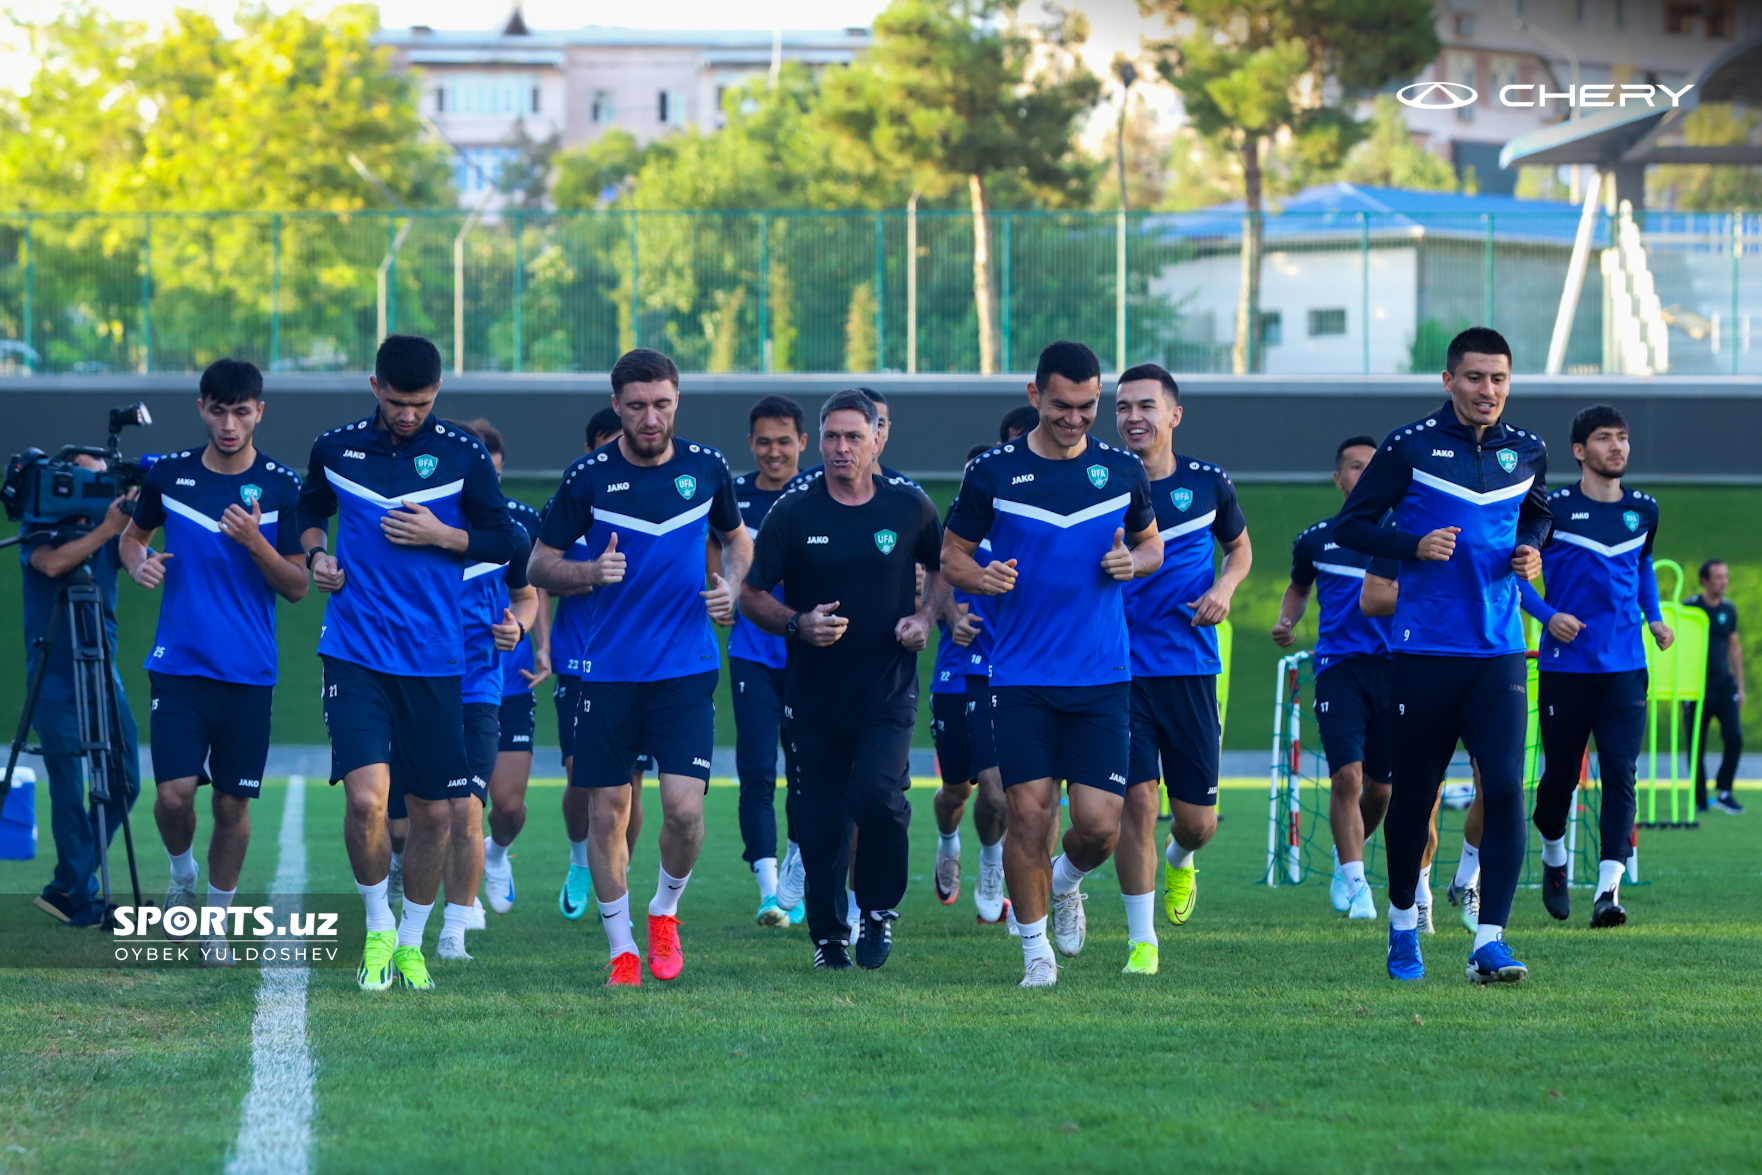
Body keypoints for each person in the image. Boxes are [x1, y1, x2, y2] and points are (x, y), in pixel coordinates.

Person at [298, 334, 522, 993]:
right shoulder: (335, 447)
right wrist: (317, 557)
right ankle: (375, 929)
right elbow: (310, 508)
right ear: (374, 387)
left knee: (434, 815)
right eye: (396, 402)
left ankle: (413, 941)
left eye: (421, 403)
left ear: (438, 394)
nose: (407, 415)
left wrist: (441, 535)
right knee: (368, 800)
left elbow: (505, 538)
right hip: (354, 650)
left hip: (436, 661)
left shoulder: (462, 453)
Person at [1333, 326, 1550, 985]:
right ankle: (1403, 928)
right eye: (1476, 377)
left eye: (1500, 379)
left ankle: (1490, 941)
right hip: (1423, 652)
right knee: (1414, 796)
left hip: (1500, 653)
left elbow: (1538, 514)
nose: (1488, 390)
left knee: (1507, 789)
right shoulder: (1408, 446)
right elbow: (1353, 525)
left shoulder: (1527, 449)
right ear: (1449, 380)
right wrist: (1413, 546)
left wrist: (1533, 548)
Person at [943, 340, 1163, 988]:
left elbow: (1151, 547)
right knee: (1031, 814)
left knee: (1097, 827)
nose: (1075, 418)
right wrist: (983, 577)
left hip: (1102, 678)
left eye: (1088, 405)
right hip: (1021, 678)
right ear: (1036, 395)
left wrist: (1135, 562)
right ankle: (1035, 951)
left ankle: (1065, 883)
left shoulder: (1122, 470)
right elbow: (952, 557)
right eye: (1062, 405)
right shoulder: (993, 473)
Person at [528, 348, 750, 987]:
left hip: (683, 667)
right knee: (608, 813)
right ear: (617, 404)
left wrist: (730, 587)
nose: (650, 417)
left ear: (676, 400)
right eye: (636, 406)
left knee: (683, 811)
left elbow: (737, 539)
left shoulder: (707, 469)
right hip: (602, 672)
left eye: (661, 404)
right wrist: (587, 573)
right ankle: (622, 946)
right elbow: (540, 565)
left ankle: (664, 912)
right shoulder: (587, 477)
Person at [740, 389, 945, 970]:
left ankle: (877, 911)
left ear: (878, 438)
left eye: (854, 436)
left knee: (878, 796)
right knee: (819, 821)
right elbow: (752, 594)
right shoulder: (794, 511)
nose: (841, 447)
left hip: (887, 691)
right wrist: (797, 624)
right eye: (832, 436)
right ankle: (829, 940)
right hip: (812, 698)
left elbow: (944, 566)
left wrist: (924, 617)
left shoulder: (909, 506)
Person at [119, 358, 307, 960]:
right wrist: (137, 562)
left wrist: (255, 542)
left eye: (241, 411)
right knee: (174, 795)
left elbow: (298, 586)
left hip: (249, 671)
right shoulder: (169, 476)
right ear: (202, 409)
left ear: (259, 412)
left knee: (231, 803)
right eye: (219, 410)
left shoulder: (280, 486)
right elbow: (132, 537)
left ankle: (217, 925)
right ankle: (181, 877)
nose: (230, 423)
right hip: (177, 666)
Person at [1114, 363, 1251, 976]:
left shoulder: (1208, 483)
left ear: (1174, 415)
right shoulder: (1101, 481)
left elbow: (1240, 547)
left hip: (1190, 667)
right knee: (1136, 804)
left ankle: (1180, 860)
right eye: (1123, 408)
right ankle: (1143, 943)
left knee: (1196, 824)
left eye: (1146, 406)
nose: (1133, 417)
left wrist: (1225, 586)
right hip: (1116, 670)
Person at [1518, 405, 1673, 928]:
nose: (1618, 447)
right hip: (1565, 669)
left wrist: (1654, 620)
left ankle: (1608, 892)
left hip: (1626, 668)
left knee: (1620, 774)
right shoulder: (1551, 509)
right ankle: (1554, 855)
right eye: (1605, 438)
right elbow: (1514, 576)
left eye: (1623, 438)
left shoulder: (1644, 510)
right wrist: (1547, 614)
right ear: (1580, 451)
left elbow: (1643, 565)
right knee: (1559, 780)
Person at [427, 419, 540, 959]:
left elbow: (528, 595)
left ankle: (457, 923)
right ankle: (411, 903)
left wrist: (521, 631)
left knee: (486, 808)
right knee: (410, 823)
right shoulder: (416, 520)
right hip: (419, 683)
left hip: (487, 685)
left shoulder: (513, 531)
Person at [1273, 437, 1393, 923]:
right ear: (1339, 478)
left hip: (1396, 670)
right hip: (1338, 669)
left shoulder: (1405, 538)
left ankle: (1351, 853)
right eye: (1355, 467)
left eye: (1373, 468)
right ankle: (1358, 884)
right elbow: (1298, 589)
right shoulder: (1316, 539)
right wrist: (1287, 620)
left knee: (1381, 790)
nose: (1364, 475)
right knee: (1347, 776)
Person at [21, 460, 141, 927]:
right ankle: (78, 892)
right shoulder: (40, 525)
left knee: (126, 778)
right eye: (86, 478)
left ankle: (66, 887)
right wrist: (105, 528)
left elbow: (134, 554)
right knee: (71, 794)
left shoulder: (112, 528)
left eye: (102, 478)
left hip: (102, 674)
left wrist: (130, 527)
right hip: (54, 679)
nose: (96, 488)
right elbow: (52, 563)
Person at [712, 395, 809, 926]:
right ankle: (770, 891)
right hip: (751, 651)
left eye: (784, 441)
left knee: (805, 772)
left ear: (802, 443)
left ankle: (797, 869)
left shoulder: (819, 491)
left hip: (808, 653)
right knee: (754, 769)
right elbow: (718, 552)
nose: (774, 451)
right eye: (764, 442)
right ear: (750, 444)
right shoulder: (733, 496)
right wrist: (725, 590)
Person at [553, 410, 652, 922]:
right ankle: (578, 861)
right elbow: (543, 573)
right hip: (580, 659)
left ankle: (619, 875)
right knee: (580, 779)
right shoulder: (575, 497)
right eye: (607, 441)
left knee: (629, 782)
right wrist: (591, 573)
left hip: (641, 663)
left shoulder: (652, 498)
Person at [1360, 562, 1484, 934]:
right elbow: (1372, 598)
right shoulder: (1410, 527)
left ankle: (1466, 881)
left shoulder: (1495, 519)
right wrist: (1437, 595)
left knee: (1496, 786)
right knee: (1422, 799)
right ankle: (1420, 896)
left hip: (1487, 665)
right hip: (1427, 665)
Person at [929, 443, 1009, 924]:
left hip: (1003, 672)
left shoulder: (1020, 527)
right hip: (953, 675)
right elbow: (930, 585)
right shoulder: (950, 530)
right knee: (956, 790)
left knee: (998, 792)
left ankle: (992, 863)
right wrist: (952, 615)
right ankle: (947, 842)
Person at [479, 429, 551, 919]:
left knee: (506, 807)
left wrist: (542, 646)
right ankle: (463, 902)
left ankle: (496, 854)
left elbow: (535, 587)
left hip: (511, 677)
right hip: (453, 677)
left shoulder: (522, 522)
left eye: (494, 464)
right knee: (457, 802)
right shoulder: (435, 517)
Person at [1684, 560, 1745, 815]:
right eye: (1718, 577)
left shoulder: (1728, 610)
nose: (1724, 582)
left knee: (1735, 738)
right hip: (1694, 686)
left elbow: (1734, 646)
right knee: (1696, 744)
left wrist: (1740, 685)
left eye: (1726, 577)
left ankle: (1724, 792)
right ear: (1704, 580)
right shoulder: (1689, 608)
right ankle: (1699, 800)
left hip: (1723, 684)